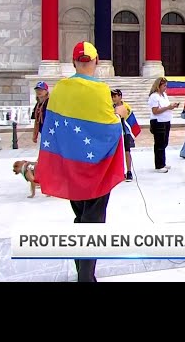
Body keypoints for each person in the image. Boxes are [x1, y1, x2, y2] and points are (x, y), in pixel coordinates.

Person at [35, 41, 126, 282]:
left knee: (80, 218)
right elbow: (110, 129)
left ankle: (81, 270)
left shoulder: (61, 89)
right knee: (93, 224)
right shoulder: (100, 90)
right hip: (96, 170)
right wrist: (120, 113)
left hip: (71, 167)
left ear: (74, 62)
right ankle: (86, 277)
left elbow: (53, 129)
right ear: (95, 62)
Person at [148, 77, 179, 172]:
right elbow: (155, 111)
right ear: (159, 86)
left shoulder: (164, 95)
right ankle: (159, 165)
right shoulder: (154, 96)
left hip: (166, 120)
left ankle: (163, 162)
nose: (166, 88)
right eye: (164, 85)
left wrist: (171, 106)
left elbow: (166, 107)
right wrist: (168, 107)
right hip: (158, 122)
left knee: (164, 142)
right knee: (159, 144)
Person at [111, 89, 134, 181]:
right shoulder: (110, 107)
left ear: (120, 96)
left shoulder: (126, 106)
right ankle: (118, 171)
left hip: (125, 131)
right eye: (112, 97)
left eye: (115, 96)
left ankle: (129, 172)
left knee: (127, 151)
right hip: (115, 132)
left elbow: (126, 117)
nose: (113, 98)